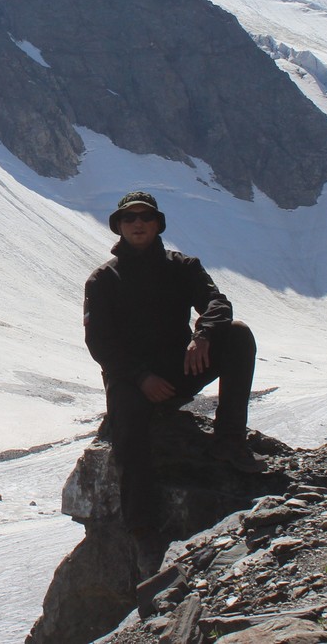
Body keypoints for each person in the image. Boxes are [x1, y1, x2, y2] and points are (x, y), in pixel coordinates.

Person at [83, 190, 264, 532]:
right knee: (131, 448)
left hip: (181, 370)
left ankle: (229, 440)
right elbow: (100, 343)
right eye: (129, 218)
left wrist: (204, 335)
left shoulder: (183, 267)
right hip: (131, 384)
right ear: (118, 226)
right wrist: (140, 378)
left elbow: (217, 303)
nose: (138, 223)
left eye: (146, 217)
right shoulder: (103, 280)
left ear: (158, 224)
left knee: (237, 336)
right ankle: (144, 534)